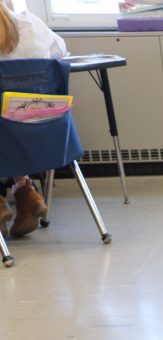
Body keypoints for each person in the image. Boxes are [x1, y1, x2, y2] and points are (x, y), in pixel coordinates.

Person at [0, 0, 67, 238]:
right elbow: (61, 55)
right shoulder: (31, 23)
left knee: (6, 117)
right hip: (47, 134)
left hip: (6, 140)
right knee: (13, 111)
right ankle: (25, 190)